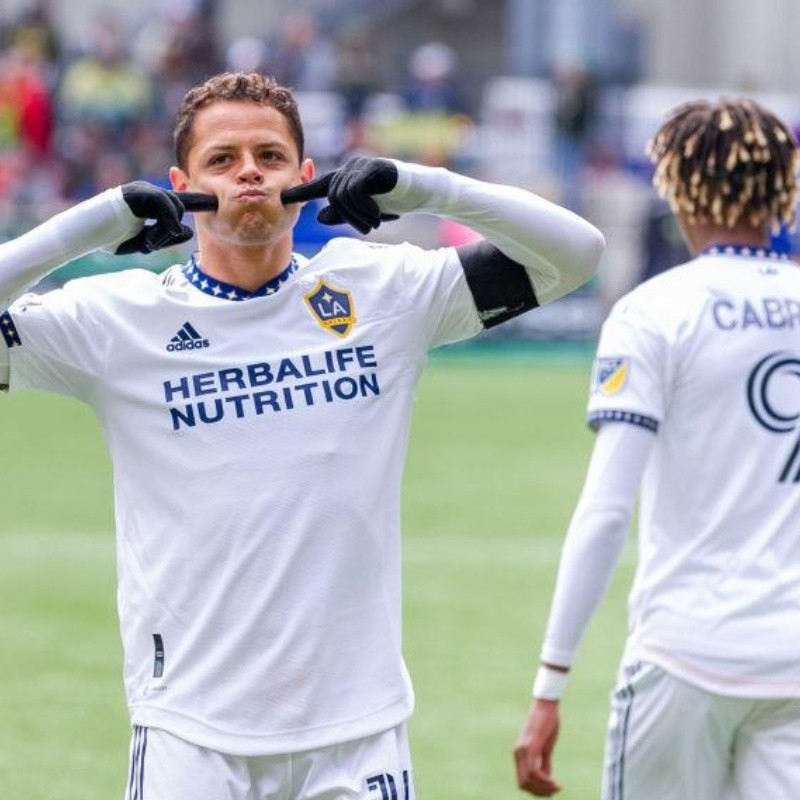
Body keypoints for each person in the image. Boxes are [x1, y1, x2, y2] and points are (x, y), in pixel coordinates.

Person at [0, 71, 604, 799]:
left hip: (357, 733)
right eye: (221, 161)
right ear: (178, 185)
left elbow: (576, 253)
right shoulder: (115, 320)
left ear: (306, 176)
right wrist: (92, 223)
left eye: (269, 156)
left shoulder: (385, 293)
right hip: (192, 734)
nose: (249, 172)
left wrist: (418, 186)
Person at [514, 96, 800, 800]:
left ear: (672, 184)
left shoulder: (654, 311)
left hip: (686, 654)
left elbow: (606, 513)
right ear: (784, 186)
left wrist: (551, 682)